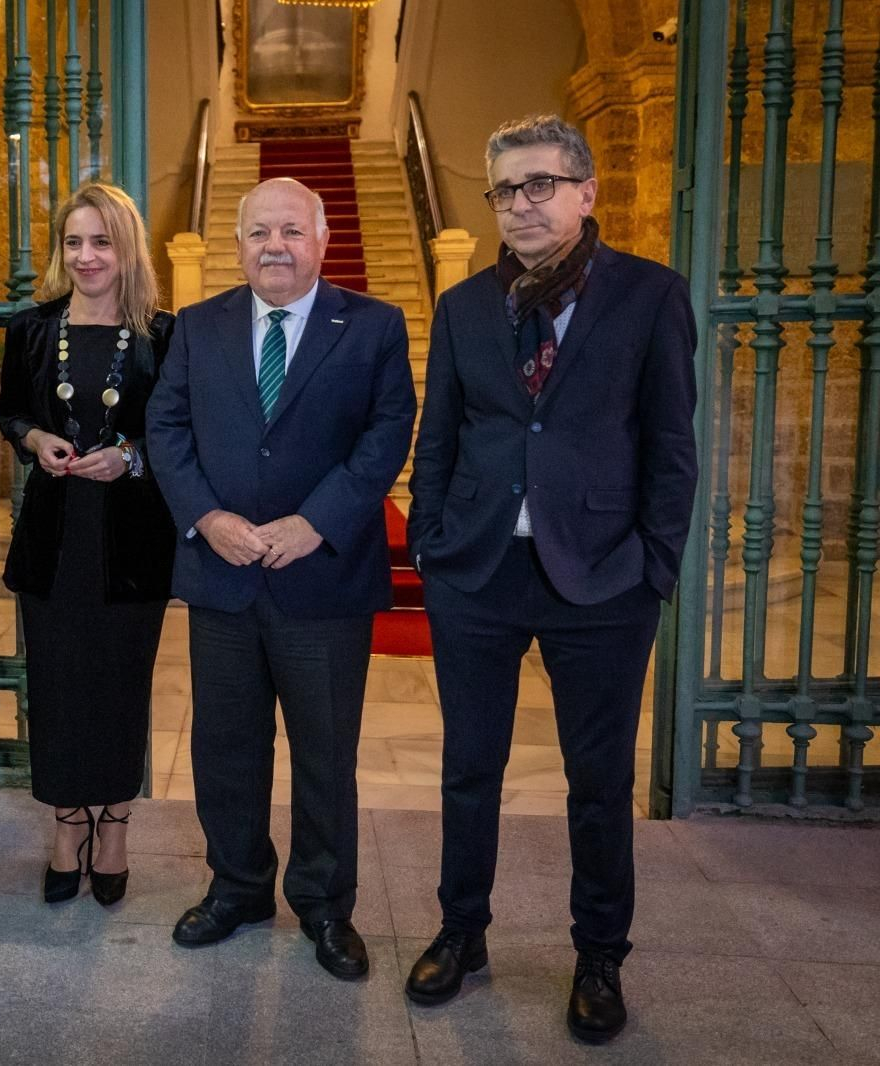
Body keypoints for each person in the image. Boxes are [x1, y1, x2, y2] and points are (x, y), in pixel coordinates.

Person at [403, 114, 698, 1044]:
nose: (520, 204)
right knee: (468, 768)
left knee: (599, 781)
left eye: (539, 185)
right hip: (480, 571)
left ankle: (600, 956)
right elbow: (440, 439)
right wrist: (433, 548)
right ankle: (463, 931)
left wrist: (654, 565)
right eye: (504, 190)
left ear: (586, 192)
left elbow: (671, 449)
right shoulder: (462, 307)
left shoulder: (650, 297)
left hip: (604, 578)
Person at [146, 177, 416, 980]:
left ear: (322, 239)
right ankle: (237, 889)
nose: (275, 246)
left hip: (322, 580)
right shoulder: (197, 328)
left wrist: (316, 523)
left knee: (325, 753)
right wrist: (207, 518)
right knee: (226, 748)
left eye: (292, 231)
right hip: (223, 577)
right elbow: (165, 429)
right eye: (260, 231)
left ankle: (327, 906)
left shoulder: (372, 326)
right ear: (237, 243)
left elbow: (387, 433)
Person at [0, 184, 178, 906]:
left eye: (101, 241)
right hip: (54, 537)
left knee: (121, 686)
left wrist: (130, 457)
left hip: (132, 542)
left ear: (127, 248)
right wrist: (35, 438)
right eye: (74, 242)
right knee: (59, 685)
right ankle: (69, 824)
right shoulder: (33, 329)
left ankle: (117, 825)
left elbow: (178, 432)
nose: (87, 256)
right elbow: (10, 411)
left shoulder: (165, 335)